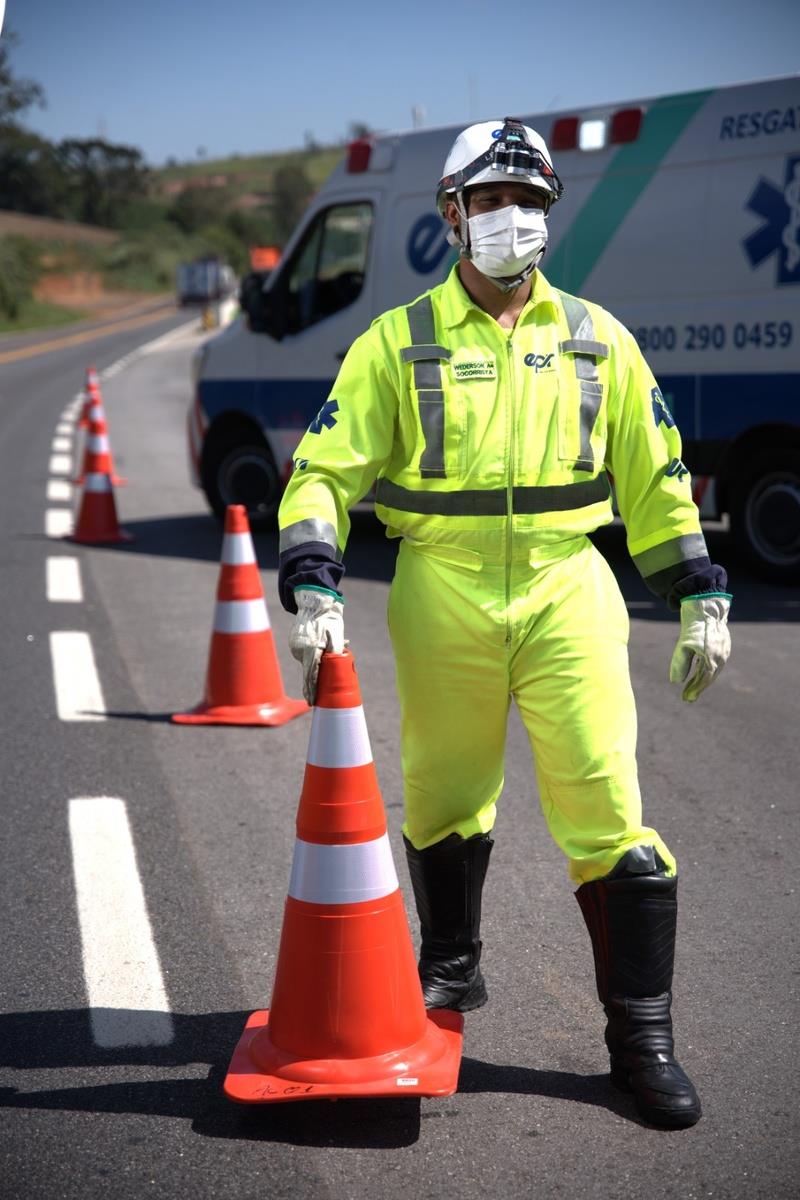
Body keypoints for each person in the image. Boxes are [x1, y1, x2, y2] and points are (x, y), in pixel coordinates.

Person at [277, 117, 732, 1129]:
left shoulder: (597, 338)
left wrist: (697, 588)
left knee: (606, 808)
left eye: (529, 202)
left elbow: (654, 479)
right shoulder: (395, 342)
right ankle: (446, 981)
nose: (513, 220)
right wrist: (312, 573)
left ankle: (639, 1040)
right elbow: (322, 471)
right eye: (490, 202)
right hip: (441, 589)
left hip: (572, 587)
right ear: (450, 214)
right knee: (442, 797)